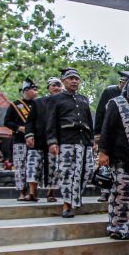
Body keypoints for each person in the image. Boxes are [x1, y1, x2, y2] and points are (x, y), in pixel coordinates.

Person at [98, 75, 129, 240]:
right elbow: (107, 128)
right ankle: (118, 227)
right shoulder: (116, 103)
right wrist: (103, 151)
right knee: (122, 193)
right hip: (120, 156)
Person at [46, 68, 95, 218]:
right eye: (71, 78)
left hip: (84, 141)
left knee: (88, 171)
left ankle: (75, 198)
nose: (74, 81)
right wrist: (52, 141)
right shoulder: (55, 99)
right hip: (66, 140)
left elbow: (88, 120)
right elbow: (50, 121)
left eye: (77, 78)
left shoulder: (83, 99)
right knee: (67, 173)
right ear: (64, 81)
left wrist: (92, 140)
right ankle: (67, 204)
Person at [95, 70, 129, 203]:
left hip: (126, 138)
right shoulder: (110, 92)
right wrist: (97, 134)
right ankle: (104, 191)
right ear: (121, 82)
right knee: (106, 165)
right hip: (109, 133)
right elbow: (101, 112)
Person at [24, 77, 63, 202]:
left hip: (56, 141)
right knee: (33, 166)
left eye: (58, 85)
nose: (56, 87)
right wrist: (29, 134)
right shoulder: (38, 102)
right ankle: (32, 193)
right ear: (48, 88)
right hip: (38, 140)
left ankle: (51, 193)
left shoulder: (65, 103)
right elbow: (29, 121)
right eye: (53, 85)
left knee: (54, 168)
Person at [3, 78, 38, 199]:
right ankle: (22, 192)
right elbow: (6, 122)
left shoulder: (38, 104)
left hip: (35, 141)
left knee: (33, 167)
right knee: (20, 167)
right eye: (34, 89)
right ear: (26, 90)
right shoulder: (15, 105)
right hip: (19, 141)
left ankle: (33, 192)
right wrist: (19, 128)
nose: (36, 91)